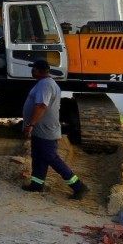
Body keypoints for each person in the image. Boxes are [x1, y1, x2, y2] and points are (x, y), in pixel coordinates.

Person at [21, 59, 88, 199]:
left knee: (51, 158)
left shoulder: (45, 84)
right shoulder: (45, 83)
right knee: (38, 157)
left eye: (33, 68)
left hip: (45, 130)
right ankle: (36, 184)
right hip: (41, 129)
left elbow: (41, 106)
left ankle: (78, 186)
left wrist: (31, 124)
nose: (32, 71)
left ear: (38, 70)